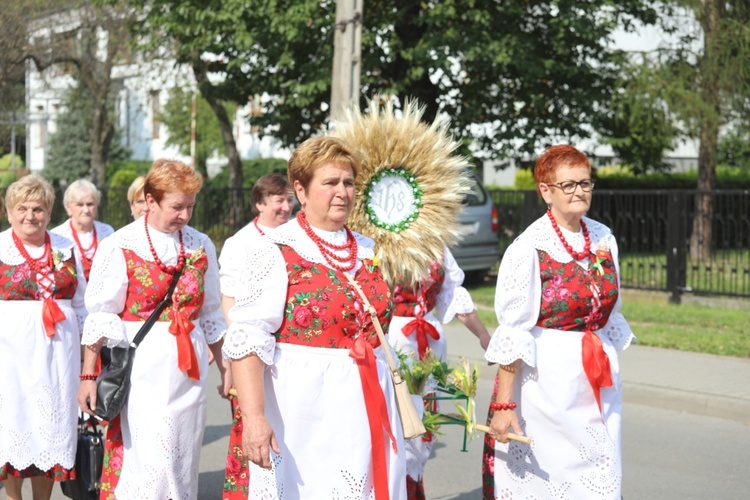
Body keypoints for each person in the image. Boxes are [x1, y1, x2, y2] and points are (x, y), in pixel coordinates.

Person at [222, 136, 406, 499]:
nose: (343, 192)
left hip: (368, 398)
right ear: (301, 190)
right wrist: (255, 419)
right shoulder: (275, 249)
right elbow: (248, 338)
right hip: (305, 409)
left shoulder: (368, 249)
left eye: (349, 182)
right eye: (330, 182)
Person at [482, 145, 634, 499]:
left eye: (585, 182)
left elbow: (611, 306)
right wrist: (505, 406)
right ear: (545, 191)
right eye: (568, 185)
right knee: (553, 478)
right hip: (546, 383)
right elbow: (514, 330)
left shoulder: (602, 238)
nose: (579, 191)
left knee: (602, 471)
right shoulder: (529, 247)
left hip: (598, 375)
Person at [76, 159, 229, 500]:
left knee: (182, 457)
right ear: (150, 199)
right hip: (142, 367)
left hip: (189, 371)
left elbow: (211, 314)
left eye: (190, 206)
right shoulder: (121, 244)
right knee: (149, 458)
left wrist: (225, 368)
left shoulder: (200, 244)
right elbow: (100, 315)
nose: (185, 215)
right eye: (177, 206)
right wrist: (88, 376)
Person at [0, 175, 86, 500]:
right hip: (10, 357)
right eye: (21, 208)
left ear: (49, 214)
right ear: (9, 212)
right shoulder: (1, 246)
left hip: (58, 356)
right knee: (12, 427)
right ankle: (13, 498)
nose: (29, 216)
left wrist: (89, 354)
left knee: (50, 431)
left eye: (38, 209)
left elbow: (82, 303)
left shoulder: (65, 247)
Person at [388, 246, 491, 499]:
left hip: (431, 339)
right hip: (394, 334)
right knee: (398, 416)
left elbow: (453, 293)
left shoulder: (438, 245)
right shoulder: (383, 238)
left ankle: (415, 484)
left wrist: (483, 335)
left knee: (426, 418)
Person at [219, 173, 294, 499]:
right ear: (260, 203)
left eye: (289, 200)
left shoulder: (296, 237)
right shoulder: (241, 243)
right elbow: (229, 302)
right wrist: (234, 355)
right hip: (253, 348)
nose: (286, 207)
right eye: (279, 200)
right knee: (252, 424)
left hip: (290, 353)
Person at [51, 179, 115, 282]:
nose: (86, 210)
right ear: (68, 208)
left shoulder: (107, 232)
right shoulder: (57, 236)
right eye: (80, 205)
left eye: (90, 204)